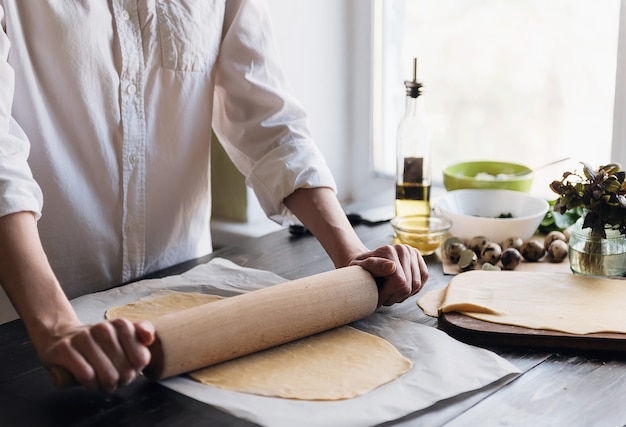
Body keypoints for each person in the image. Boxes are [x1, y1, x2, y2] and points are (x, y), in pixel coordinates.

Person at [0, 1, 428, 393]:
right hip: (32, 322)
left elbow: (270, 122)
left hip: (186, 310)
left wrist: (350, 252)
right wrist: (55, 326)